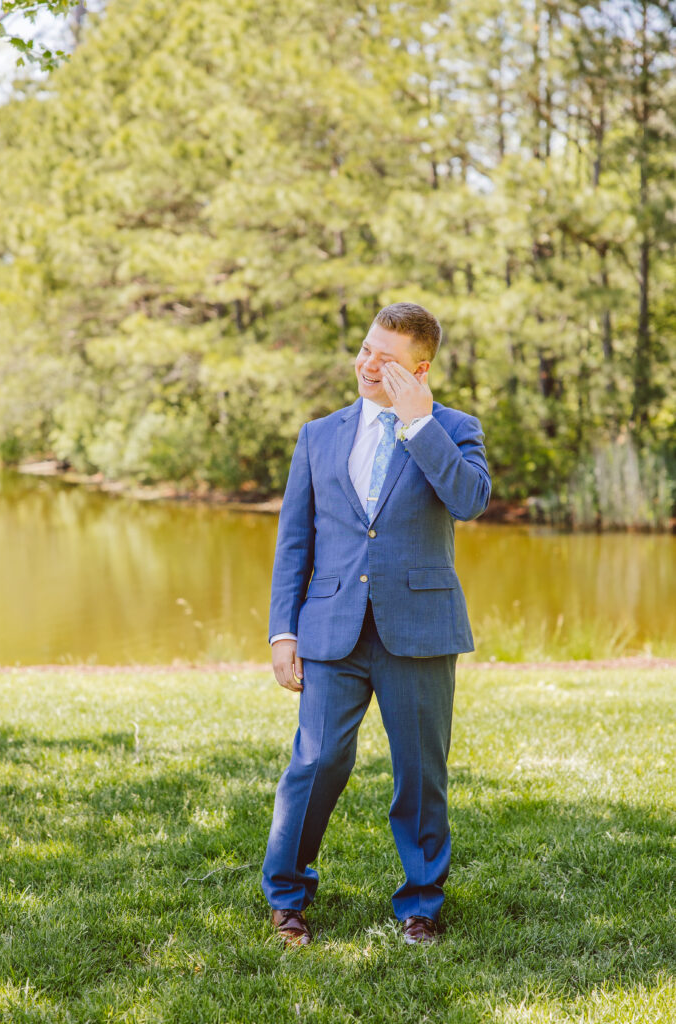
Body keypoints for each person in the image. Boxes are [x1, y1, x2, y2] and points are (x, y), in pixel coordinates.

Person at [262, 302, 490, 946]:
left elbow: (470, 501)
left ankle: (420, 905)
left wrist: (419, 425)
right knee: (316, 761)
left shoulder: (455, 427)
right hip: (332, 626)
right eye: (365, 349)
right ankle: (286, 897)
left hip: (419, 629)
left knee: (420, 773)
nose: (367, 364)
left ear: (418, 369)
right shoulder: (319, 435)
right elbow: (294, 543)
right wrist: (284, 632)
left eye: (385, 359)